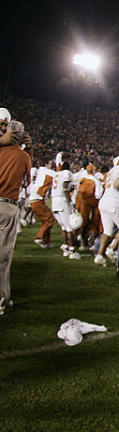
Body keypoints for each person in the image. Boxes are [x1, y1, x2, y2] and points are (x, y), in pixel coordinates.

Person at [0, 117, 32, 314]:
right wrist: (28, 149)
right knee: (3, 257)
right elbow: (27, 181)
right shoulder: (23, 156)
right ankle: (1, 299)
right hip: (7, 207)